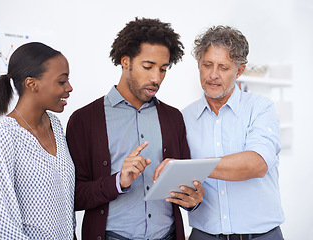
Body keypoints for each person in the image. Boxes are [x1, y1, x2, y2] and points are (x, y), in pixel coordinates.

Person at [66, 17, 205, 240]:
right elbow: (73, 196)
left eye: (163, 69)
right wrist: (117, 182)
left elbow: (186, 186)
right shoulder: (84, 120)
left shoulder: (173, 118)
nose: (156, 78)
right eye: (148, 67)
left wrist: (193, 200)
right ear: (126, 61)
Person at [182, 26, 285, 239]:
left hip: (261, 236)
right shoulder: (183, 118)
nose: (213, 75)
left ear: (239, 71)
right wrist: (189, 199)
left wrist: (195, 167)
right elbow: (182, 183)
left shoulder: (261, 108)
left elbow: (257, 164)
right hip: (204, 235)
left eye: (223, 67)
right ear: (199, 65)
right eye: (207, 65)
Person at [0, 42, 76, 239]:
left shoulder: (55, 124)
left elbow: (64, 202)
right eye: (62, 81)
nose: (69, 88)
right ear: (31, 84)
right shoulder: (5, 135)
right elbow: (2, 224)